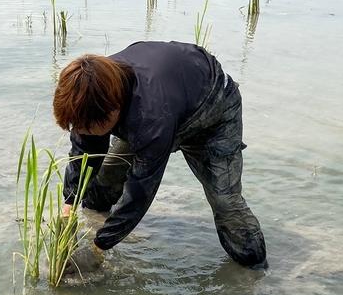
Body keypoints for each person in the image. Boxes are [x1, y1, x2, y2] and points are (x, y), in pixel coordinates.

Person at [53, 40, 268, 275]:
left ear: (113, 110)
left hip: (213, 113)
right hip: (166, 103)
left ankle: (253, 272)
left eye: (89, 127)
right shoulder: (91, 91)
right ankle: (95, 216)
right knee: (107, 178)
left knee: (225, 201)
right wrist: (68, 211)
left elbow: (140, 192)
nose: (82, 131)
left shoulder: (149, 116)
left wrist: (97, 250)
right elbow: (83, 154)